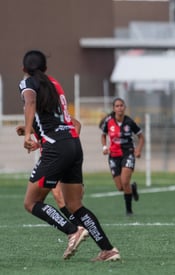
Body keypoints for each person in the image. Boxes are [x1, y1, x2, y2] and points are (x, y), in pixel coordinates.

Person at [19, 50, 120, 261]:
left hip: (57, 148)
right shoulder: (54, 85)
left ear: (24, 69)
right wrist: (36, 133)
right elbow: (71, 122)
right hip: (73, 144)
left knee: (31, 203)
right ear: (46, 68)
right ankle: (108, 250)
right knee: (75, 205)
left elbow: (30, 103)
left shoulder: (28, 83)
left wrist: (28, 134)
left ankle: (72, 230)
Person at [16, 125, 83, 226]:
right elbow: (48, 133)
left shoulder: (51, 111)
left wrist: (68, 145)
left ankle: (78, 228)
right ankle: (78, 227)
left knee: (63, 198)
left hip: (57, 158)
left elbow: (76, 124)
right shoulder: (39, 117)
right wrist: (37, 142)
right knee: (59, 197)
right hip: (53, 158)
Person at [100, 98, 144, 216]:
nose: (119, 108)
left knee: (125, 182)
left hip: (128, 153)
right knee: (120, 187)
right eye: (117, 106)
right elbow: (103, 135)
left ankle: (129, 211)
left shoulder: (130, 122)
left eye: (121, 106)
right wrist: (104, 147)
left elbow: (141, 137)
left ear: (124, 107)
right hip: (113, 156)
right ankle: (132, 188)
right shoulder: (108, 122)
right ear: (114, 108)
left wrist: (138, 150)